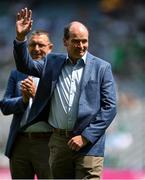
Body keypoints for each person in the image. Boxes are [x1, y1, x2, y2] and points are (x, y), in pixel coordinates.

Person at [13, 8, 117, 180]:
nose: (81, 46)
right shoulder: (52, 62)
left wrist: (85, 137)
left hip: (89, 146)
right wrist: (21, 38)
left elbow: (110, 107)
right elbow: (25, 66)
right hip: (59, 143)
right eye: (76, 41)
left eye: (85, 41)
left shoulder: (102, 67)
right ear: (65, 42)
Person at [0, 30, 53, 179]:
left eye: (40, 45)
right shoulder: (16, 73)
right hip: (19, 142)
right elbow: (4, 105)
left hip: (47, 142)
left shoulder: (57, 74)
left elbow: (60, 108)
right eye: (32, 45)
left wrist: (37, 96)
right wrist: (23, 99)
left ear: (50, 47)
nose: (36, 49)